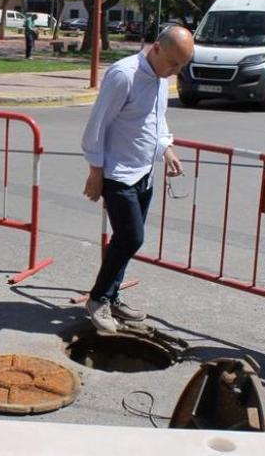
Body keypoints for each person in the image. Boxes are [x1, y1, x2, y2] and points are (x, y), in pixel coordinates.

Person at [80, 26, 194, 333]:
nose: (175, 72)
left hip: (144, 171)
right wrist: (95, 172)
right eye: (173, 63)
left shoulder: (158, 78)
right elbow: (97, 125)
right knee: (131, 237)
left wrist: (165, 149)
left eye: (181, 67)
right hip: (118, 173)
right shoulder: (124, 75)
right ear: (157, 48)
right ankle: (98, 299)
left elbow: (155, 120)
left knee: (125, 242)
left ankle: (111, 297)